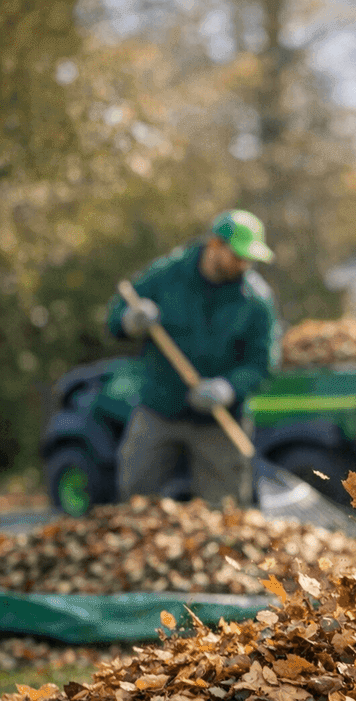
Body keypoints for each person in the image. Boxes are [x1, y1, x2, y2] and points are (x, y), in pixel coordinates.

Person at [107, 209, 279, 507]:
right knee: (135, 492)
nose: (244, 265)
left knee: (226, 509)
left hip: (219, 419)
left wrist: (227, 387)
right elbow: (115, 316)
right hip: (160, 406)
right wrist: (129, 320)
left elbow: (261, 363)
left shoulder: (256, 301)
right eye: (238, 256)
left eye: (249, 259)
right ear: (214, 245)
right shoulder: (167, 275)